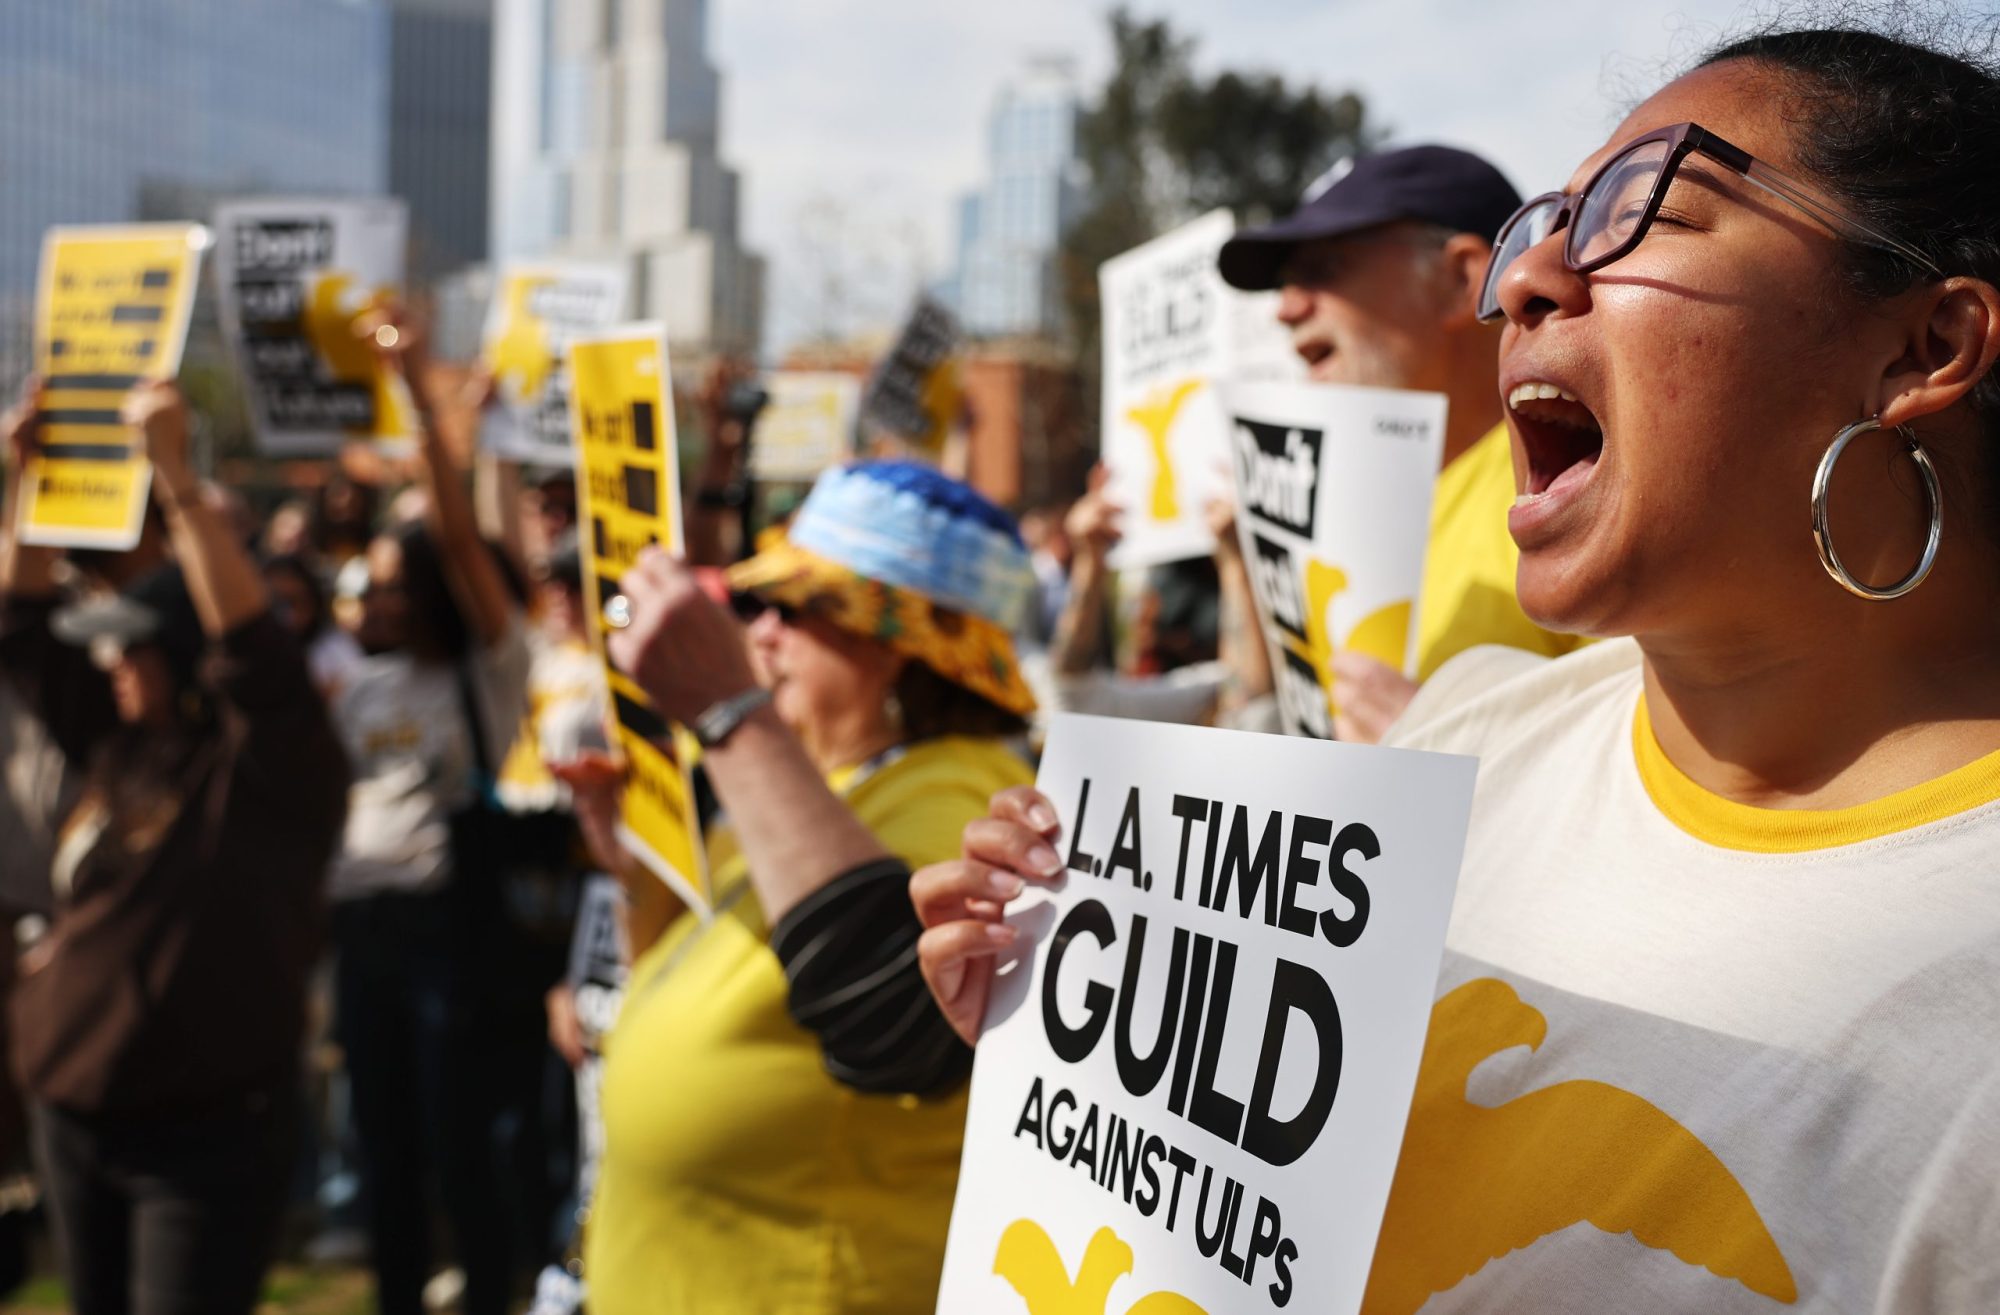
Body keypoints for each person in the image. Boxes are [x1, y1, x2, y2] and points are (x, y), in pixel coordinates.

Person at [918, 20, 2000, 1311]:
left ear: (1925, 348)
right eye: (1546, 225)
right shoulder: (1463, 746)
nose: (1531, 275)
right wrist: (1077, 1037)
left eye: (1644, 210)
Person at [561, 460, 1038, 1313]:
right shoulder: (820, 780)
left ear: (901, 649)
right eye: (759, 606)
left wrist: (729, 713)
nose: (762, 630)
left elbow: (892, 1011)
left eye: (797, 608)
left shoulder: (960, 789)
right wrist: (632, 871)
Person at [0, 379, 348, 1315]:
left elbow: (255, 654)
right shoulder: (122, 748)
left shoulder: (272, 775)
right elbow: (25, 625)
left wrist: (177, 477)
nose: (109, 662)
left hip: (207, 1136)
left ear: (190, 659)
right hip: (76, 1113)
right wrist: (30, 485)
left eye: (132, 647)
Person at [1218, 144, 1587, 741]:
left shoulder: (1578, 488)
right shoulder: (1333, 522)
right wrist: (1239, 565)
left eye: (1324, 269)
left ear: (1458, 279)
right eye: (1286, 283)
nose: (1284, 309)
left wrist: (1440, 740)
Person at [325, 309, 531, 1315]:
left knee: (455, 1146)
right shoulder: (360, 690)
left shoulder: (485, 672)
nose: (382, 600)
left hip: (446, 936)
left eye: (401, 586)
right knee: (384, 1149)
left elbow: (455, 530)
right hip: (361, 937)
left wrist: (417, 393)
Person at [264, 552, 365, 698]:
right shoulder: (253, 656)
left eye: (296, 601)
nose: (289, 615)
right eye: (278, 604)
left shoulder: (336, 647)